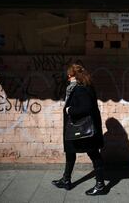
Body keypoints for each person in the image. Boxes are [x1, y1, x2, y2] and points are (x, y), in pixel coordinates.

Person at [52, 64, 105, 196]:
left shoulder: (81, 88)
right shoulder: (84, 86)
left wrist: (69, 110)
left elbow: (86, 108)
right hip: (78, 128)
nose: (68, 78)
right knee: (71, 152)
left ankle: (100, 186)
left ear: (74, 75)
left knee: (94, 154)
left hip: (84, 129)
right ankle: (66, 180)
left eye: (69, 75)